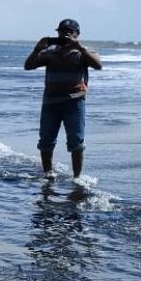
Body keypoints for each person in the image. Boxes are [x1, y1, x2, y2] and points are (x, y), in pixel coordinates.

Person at [24, 18, 103, 178]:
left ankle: (77, 178)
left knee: (76, 142)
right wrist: (36, 49)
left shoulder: (83, 52)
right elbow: (28, 66)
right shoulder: (50, 52)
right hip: (50, 103)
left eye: (70, 32)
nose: (65, 35)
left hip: (74, 102)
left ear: (77, 34)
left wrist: (79, 47)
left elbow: (98, 65)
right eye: (62, 32)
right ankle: (48, 174)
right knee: (46, 141)